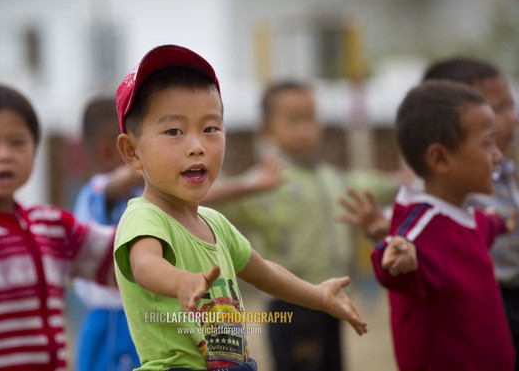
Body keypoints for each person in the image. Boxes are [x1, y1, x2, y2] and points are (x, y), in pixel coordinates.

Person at [112, 44, 368, 371]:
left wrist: (318, 296)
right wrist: (180, 281)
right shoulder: (144, 217)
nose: (197, 146)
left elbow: (266, 273)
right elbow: (145, 264)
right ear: (132, 151)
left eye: (210, 128)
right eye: (174, 131)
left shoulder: (215, 223)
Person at [340, 57, 519, 368]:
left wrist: (503, 222)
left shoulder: (459, 214)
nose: (498, 155)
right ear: (441, 159)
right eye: (487, 144)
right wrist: (397, 256)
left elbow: (481, 227)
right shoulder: (424, 223)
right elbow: (395, 258)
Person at [212, 80, 400, 371]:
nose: (305, 129)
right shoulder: (263, 183)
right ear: (267, 130)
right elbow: (205, 198)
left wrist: (407, 178)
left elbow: (374, 185)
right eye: (293, 120)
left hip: (333, 296)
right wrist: (249, 188)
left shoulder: (331, 178)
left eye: (310, 118)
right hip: (289, 304)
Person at [0, 83, 116, 371]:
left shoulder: (53, 226)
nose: (4, 154)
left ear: (34, 150)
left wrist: (157, 239)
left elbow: (111, 253)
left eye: (17, 142)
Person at [71, 96, 143, 371]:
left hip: (139, 314)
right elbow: (121, 181)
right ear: (109, 151)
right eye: (140, 146)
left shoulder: (142, 193)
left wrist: (249, 186)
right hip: (114, 318)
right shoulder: (99, 191)